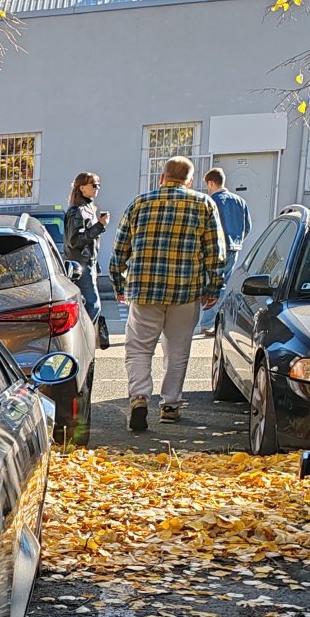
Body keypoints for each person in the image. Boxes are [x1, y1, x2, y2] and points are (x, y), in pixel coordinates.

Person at [108, 155, 226, 431]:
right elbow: (215, 251)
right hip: (185, 290)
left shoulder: (139, 203)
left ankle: (139, 396)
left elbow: (120, 249)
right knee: (178, 348)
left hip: (145, 288)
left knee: (138, 347)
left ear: (161, 177)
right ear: (190, 180)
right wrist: (213, 287)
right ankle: (170, 404)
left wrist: (118, 283)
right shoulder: (203, 204)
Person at [64, 172, 111, 350]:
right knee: (93, 304)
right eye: (93, 185)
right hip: (80, 265)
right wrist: (100, 226)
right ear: (82, 187)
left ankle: (81, 342)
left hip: (86, 264)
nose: (96, 188)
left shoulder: (87, 208)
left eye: (98, 185)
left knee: (85, 305)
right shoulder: (77, 210)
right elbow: (74, 241)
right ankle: (81, 341)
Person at [202, 168, 252, 334]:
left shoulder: (212, 201)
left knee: (213, 284)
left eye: (207, 185)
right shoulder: (240, 201)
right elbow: (248, 227)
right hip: (233, 248)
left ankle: (208, 322)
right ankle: (214, 320)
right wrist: (238, 241)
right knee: (223, 284)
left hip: (215, 248)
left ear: (211, 183)